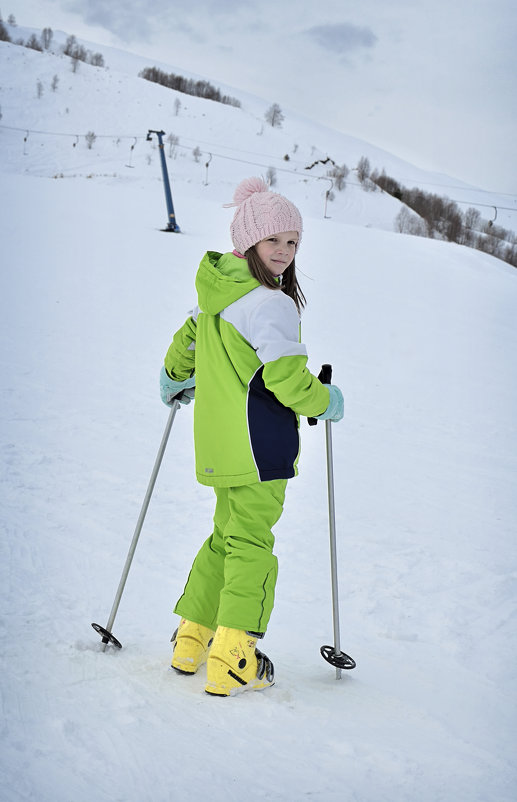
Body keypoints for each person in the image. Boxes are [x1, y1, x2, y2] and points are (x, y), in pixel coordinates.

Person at [160, 176, 344, 697]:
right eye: (274, 241)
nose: (284, 253)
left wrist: (175, 378)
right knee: (252, 544)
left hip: (219, 446)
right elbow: (287, 379)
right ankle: (235, 653)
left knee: (226, 537)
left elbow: (186, 345)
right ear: (247, 241)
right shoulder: (269, 303)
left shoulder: (215, 297)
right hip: (259, 449)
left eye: (292, 242)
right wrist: (324, 401)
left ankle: (192, 638)